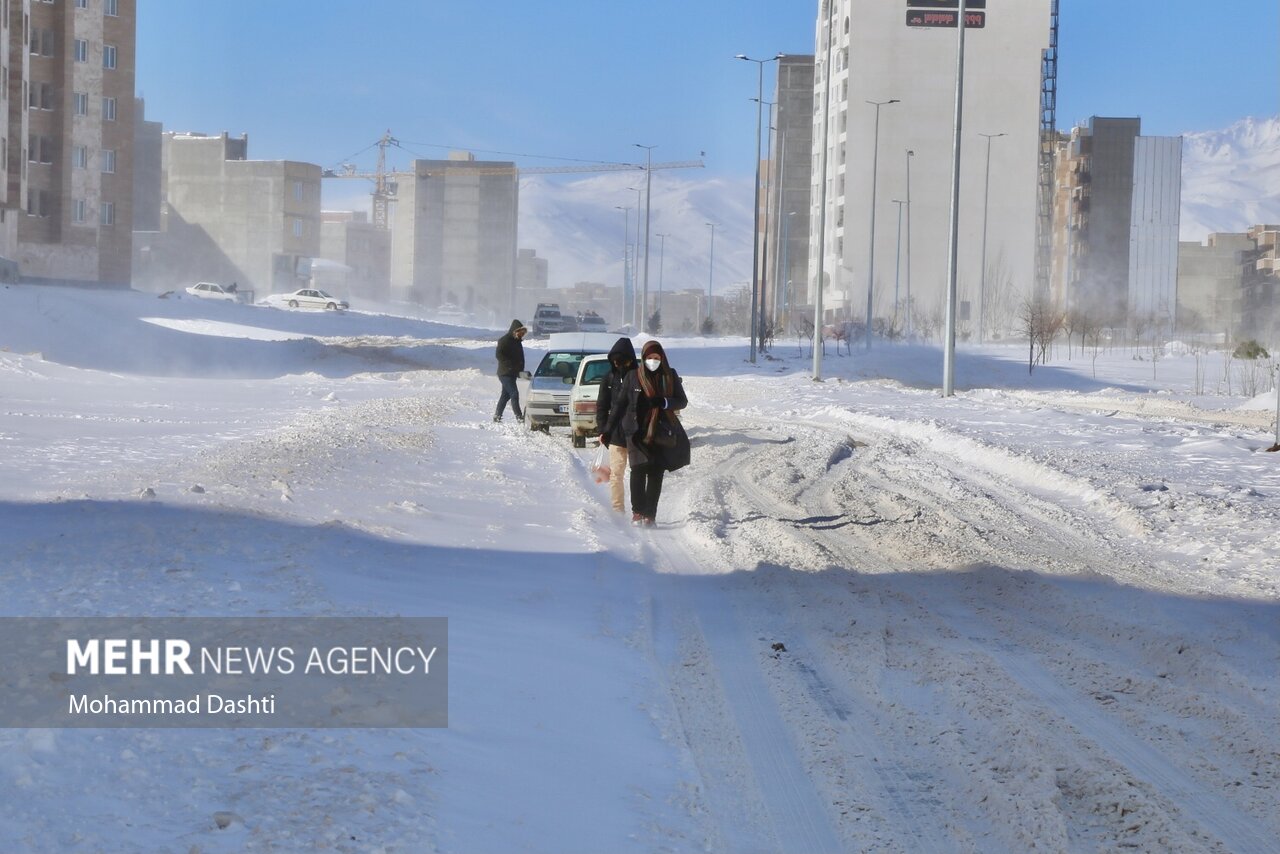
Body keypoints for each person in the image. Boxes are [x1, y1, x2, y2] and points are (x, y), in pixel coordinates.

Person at [618, 340, 690, 526]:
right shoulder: (633, 376)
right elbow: (621, 404)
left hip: (661, 432)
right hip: (637, 432)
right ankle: (637, 512)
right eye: (649, 357)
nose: (653, 361)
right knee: (638, 470)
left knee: (656, 473)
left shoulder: (670, 375)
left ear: (662, 358)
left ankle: (650, 516)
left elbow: (681, 401)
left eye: (656, 358)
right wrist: (610, 429)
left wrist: (664, 402)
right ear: (643, 358)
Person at [596, 337, 638, 513]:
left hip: (637, 433)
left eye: (623, 360)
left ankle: (640, 511)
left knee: (637, 475)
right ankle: (618, 510)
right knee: (616, 475)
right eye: (616, 361)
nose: (619, 364)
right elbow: (601, 405)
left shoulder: (639, 377)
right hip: (616, 434)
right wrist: (602, 429)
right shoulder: (609, 377)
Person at [493, 319, 527, 422]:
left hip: (512, 373)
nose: (521, 335)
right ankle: (519, 416)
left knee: (505, 395)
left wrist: (520, 370)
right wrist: (509, 365)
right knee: (514, 393)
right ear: (514, 331)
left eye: (522, 334)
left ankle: (497, 416)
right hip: (505, 373)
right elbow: (499, 355)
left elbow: (520, 357)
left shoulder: (517, 342)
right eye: (520, 333)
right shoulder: (504, 340)